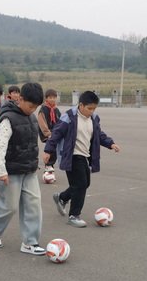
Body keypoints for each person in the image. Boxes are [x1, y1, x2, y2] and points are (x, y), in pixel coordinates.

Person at [44, 91, 121, 227]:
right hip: (72, 155)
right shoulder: (69, 117)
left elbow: (99, 134)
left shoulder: (94, 118)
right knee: (80, 184)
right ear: (81, 105)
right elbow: (56, 134)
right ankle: (74, 216)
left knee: (84, 184)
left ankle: (62, 197)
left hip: (85, 155)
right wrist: (48, 150)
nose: (92, 111)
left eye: (94, 108)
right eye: (89, 108)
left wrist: (110, 143)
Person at [0, 82, 46, 255]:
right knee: (9, 207)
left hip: (29, 170)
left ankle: (30, 242)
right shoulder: (8, 119)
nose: (32, 110)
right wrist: (1, 171)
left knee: (33, 205)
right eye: (30, 106)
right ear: (20, 99)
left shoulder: (32, 118)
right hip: (11, 171)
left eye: (36, 107)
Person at [37, 88, 61, 172]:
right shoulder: (43, 109)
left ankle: (50, 165)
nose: (52, 99)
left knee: (55, 149)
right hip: (47, 133)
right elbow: (42, 122)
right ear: (46, 98)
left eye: (54, 97)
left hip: (55, 133)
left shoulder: (56, 110)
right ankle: (48, 165)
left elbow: (60, 121)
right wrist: (48, 133)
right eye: (50, 98)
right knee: (50, 149)